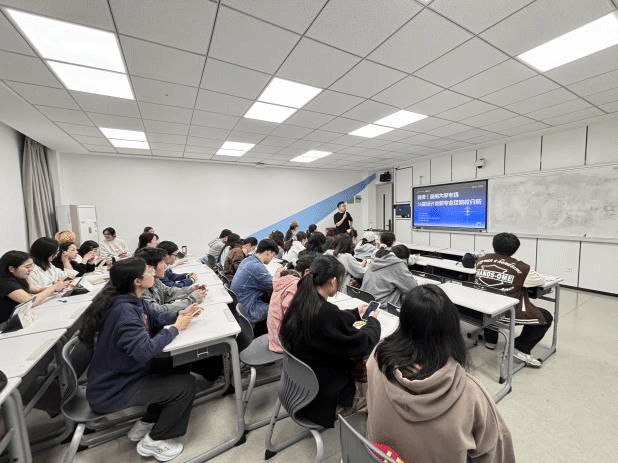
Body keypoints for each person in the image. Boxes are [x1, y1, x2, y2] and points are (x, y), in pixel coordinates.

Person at [366, 285, 515, 463]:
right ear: (452, 330)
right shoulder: (471, 395)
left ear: (403, 322)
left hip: (377, 457)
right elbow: (498, 455)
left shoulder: (377, 359)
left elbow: (363, 404)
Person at [80, 257, 201, 461]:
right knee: (186, 385)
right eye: (147, 271)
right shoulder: (124, 312)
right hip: (113, 389)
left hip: (126, 374)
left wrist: (181, 314)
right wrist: (175, 328)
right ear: (137, 281)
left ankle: (148, 421)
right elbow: (145, 351)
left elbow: (155, 316)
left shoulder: (131, 300)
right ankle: (156, 441)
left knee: (179, 362)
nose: (152, 273)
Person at [280, 255, 380, 428]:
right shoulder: (326, 313)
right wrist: (373, 322)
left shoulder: (301, 300)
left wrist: (355, 313)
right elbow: (362, 343)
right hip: (324, 399)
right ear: (333, 281)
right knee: (378, 393)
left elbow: (332, 320)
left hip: (299, 389)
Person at [475, 232, 553, 368]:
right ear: (515, 249)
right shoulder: (521, 268)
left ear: (494, 245)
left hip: (483, 308)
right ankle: (520, 347)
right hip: (507, 313)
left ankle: (490, 341)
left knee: (491, 296)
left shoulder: (480, 261)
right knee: (546, 317)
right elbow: (540, 280)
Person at [0, 251, 69, 324]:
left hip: (20, 319)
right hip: (6, 325)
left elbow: (36, 289)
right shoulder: (5, 283)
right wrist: (54, 287)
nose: (30, 269)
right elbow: (30, 301)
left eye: (31, 266)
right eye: (27, 267)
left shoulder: (18, 279)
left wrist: (55, 286)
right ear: (11, 269)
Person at [267, 252, 316, 353]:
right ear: (307, 272)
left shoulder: (284, 278)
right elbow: (292, 320)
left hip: (274, 335)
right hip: (282, 343)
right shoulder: (295, 286)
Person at [134, 248, 205, 314]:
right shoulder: (140, 291)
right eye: (162, 263)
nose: (165, 266)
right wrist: (192, 300)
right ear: (151, 267)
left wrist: (191, 289)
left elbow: (168, 292)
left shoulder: (155, 280)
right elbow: (159, 311)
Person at [230, 238, 279, 323]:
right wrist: (278, 274)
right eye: (273, 256)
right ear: (268, 252)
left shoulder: (248, 260)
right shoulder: (257, 267)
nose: (272, 259)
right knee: (278, 308)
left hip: (238, 305)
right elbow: (275, 285)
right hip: (248, 310)